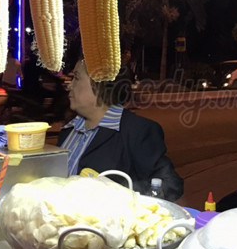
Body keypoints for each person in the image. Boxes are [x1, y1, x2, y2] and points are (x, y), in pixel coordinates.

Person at [57, 59, 183, 200]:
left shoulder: (137, 131)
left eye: (76, 78)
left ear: (100, 83)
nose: (69, 86)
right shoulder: (68, 129)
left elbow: (171, 184)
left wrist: (118, 194)